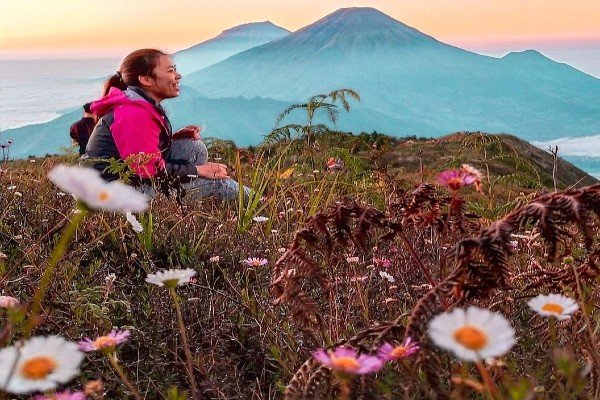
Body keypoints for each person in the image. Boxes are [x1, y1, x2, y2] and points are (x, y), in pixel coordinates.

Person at [83, 48, 250, 201]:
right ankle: (263, 205)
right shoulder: (133, 114)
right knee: (218, 185)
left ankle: (184, 200)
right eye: (171, 71)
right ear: (146, 79)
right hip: (112, 194)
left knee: (193, 147)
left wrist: (171, 138)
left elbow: (139, 151)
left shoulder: (141, 104)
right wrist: (199, 171)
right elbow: (146, 169)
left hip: (127, 180)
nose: (178, 76)